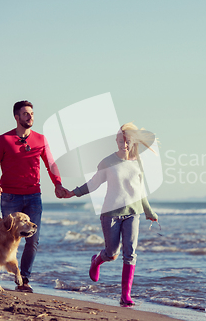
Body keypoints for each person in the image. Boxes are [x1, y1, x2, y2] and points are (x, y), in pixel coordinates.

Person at [65, 122, 158, 307]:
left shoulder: (138, 161)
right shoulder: (107, 162)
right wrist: (73, 192)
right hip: (111, 214)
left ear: (131, 141)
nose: (122, 143)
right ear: (116, 141)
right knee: (112, 252)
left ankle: (125, 296)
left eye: (126, 140)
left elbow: (140, 191)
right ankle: (97, 260)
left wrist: (149, 211)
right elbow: (93, 184)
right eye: (119, 139)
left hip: (132, 214)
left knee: (130, 253)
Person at [0, 100, 69, 293]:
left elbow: (50, 164)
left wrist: (58, 184)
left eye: (31, 113)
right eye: (25, 114)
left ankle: (24, 279)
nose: (30, 116)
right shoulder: (4, 140)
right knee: (6, 238)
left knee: (33, 240)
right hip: (10, 197)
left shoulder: (40, 139)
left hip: (33, 196)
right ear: (16, 117)